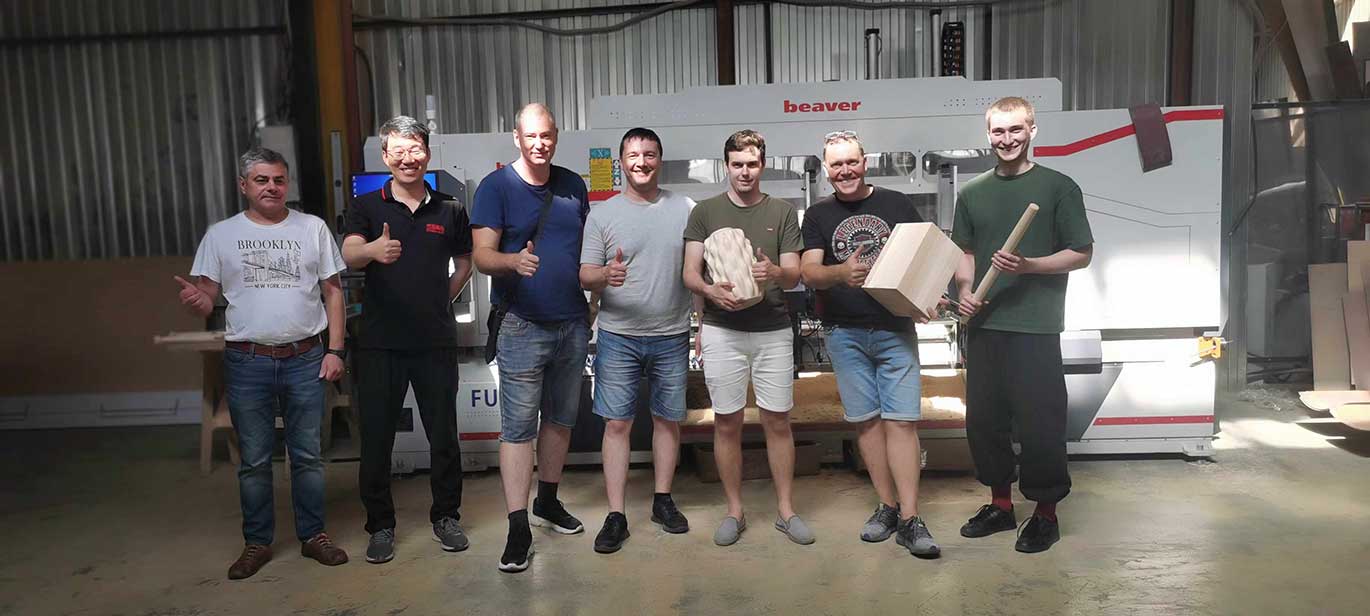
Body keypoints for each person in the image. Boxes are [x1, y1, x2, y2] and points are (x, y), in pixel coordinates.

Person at [177, 147, 349, 579]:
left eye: (278, 180)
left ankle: (313, 536)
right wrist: (199, 301)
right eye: (261, 180)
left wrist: (335, 350)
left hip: (306, 357)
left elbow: (333, 292)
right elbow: (208, 296)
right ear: (244, 185)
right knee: (254, 459)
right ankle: (257, 542)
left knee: (308, 455)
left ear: (286, 184)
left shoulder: (312, 228)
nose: (271, 187)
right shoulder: (221, 235)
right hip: (247, 360)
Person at [951, 96, 1094, 554]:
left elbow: (1081, 253)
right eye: (999, 131)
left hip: (1035, 326)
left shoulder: (1058, 187)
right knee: (985, 422)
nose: (1007, 139)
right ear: (988, 135)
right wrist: (966, 289)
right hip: (985, 325)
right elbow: (965, 252)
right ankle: (1000, 505)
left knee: (1040, 424)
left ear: (1032, 130)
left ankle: (1045, 513)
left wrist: (1029, 265)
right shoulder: (972, 193)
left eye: (1016, 129)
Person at [799, 130, 940, 558]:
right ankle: (887, 507)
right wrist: (841, 273)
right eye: (836, 164)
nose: (845, 170)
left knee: (902, 422)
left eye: (851, 162)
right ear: (827, 171)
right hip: (844, 333)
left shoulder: (896, 204)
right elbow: (809, 271)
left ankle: (911, 519)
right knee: (866, 422)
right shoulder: (817, 215)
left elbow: (926, 257)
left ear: (865, 162)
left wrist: (928, 297)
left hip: (894, 328)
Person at [342, 115, 474, 564]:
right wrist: (372, 251)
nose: (407, 158)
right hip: (380, 343)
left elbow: (465, 261)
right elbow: (349, 253)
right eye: (398, 150)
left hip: (435, 341)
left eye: (415, 149)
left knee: (444, 436)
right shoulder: (367, 205)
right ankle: (380, 526)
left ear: (428, 153)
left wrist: (443, 297)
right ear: (385, 157)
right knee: (377, 439)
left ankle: (446, 516)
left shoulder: (450, 209)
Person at [471, 103, 591, 573]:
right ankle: (517, 526)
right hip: (521, 324)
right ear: (516, 138)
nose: (540, 144)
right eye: (532, 136)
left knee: (560, 420)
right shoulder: (495, 187)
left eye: (547, 136)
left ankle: (548, 502)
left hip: (572, 323)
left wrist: (598, 290)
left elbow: (583, 249)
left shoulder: (573, 185)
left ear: (556, 136)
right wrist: (512, 262)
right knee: (518, 429)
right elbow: (481, 255)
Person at [681, 129, 810, 547]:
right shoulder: (705, 212)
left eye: (752, 164)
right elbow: (689, 273)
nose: (745, 172)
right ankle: (734, 511)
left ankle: (786, 510)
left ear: (763, 165)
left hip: (773, 329)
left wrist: (774, 272)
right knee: (727, 422)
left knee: (778, 420)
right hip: (723, 331)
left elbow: (793, 274)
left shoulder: (783, 211)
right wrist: (709, 291)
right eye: (737, 164)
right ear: (726, 166)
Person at [579, 128, 694, 554]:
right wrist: (604, 275)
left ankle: (663, 500)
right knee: (617, 424)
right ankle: (616, 515)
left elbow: (698, 269)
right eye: (633, 155)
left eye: (649, 154)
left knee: (667, 420)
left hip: (672, 333)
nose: (641, 162)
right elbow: (584, 273)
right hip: (618, 336)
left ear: (660, 159)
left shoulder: (686, 208)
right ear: (621, 162)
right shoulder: (602, 214)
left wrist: (703, 323)